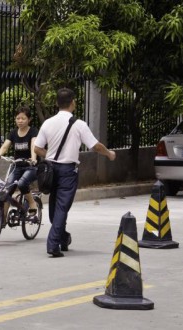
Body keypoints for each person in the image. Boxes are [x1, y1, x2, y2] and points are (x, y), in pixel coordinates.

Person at [34, 87, 116, 258]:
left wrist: (49, 156)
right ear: (73, 102)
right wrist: (109, 154)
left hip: (50, 169)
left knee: (55, 208)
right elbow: (95, 146)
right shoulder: (79, 124)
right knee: (62, 207)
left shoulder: (48, 123)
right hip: (67, 171)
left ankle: (63, 238)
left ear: (57, 103)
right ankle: (52, 245)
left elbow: (37, 148)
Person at [0, 106, 39, 222]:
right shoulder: (13, 133)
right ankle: (3, 218)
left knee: (22, 184)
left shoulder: (33, 131)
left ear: (29, 119)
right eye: (18, 118)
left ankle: (32, 204)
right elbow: (5, 146)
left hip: (30, 166)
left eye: (23, 118)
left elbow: (34, 145)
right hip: (17, 165)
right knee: (7, 190)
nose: (20, 121)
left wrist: (33, 158)